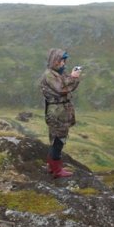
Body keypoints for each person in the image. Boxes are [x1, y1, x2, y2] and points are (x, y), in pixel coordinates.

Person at [39, 48, 82, 178]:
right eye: (61, 61)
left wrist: (71, 76)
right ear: (55, 61)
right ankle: (56, 170)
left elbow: (65, 83)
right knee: (58, 139)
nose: (64, 64)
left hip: (61, 110)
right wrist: (74, 77)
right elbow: (62, 88)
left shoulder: (57, 73)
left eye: (64, 61)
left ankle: (53, 167)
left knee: (59, 139)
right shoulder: (49, 75)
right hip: (57, 112)